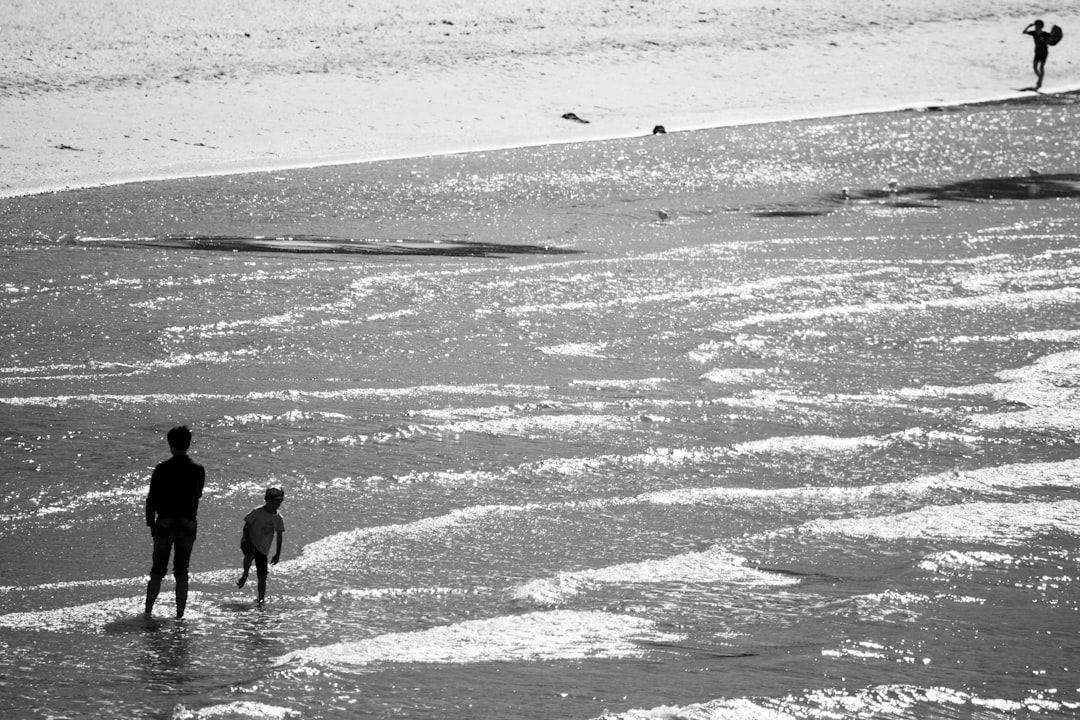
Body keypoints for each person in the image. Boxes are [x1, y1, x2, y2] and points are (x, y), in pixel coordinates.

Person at [144, 426, 206, 619]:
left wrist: (150, 523)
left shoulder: (162, 469)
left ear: (170, 445)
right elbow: (198, 493)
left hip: (165, 521)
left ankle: (148, 612)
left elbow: (151, 499)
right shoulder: (197, 469)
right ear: (188, 444)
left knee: (157, 570)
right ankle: (179, 615)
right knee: (181, 571)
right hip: (187, 522)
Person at [236, 487, 285, 604]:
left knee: (262, 576)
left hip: (263, 549)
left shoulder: (279, 519)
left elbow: (279, 536)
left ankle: (261, 601)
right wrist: (250, 542)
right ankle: (245, 574)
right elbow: (246, 527)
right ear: (266, 500)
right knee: (251, 552)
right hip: (248, 542)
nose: (275, 505)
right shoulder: (257, 512)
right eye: (273, 502)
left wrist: (277, 554)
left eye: (278, 503)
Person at [1023, 20, 1051, 89]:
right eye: (1035, 26)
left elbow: (1052, 39)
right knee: (1035, 67)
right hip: (1037, 52)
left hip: (1044, 52)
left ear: (1041, 27)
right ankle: (1040, 78)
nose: (1036, 27)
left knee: (1041, 67)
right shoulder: (1034, 33)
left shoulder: (1045, 34)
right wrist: (1029, 26)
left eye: (1038, 26)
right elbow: (1024, 32)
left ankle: (1040, 81)